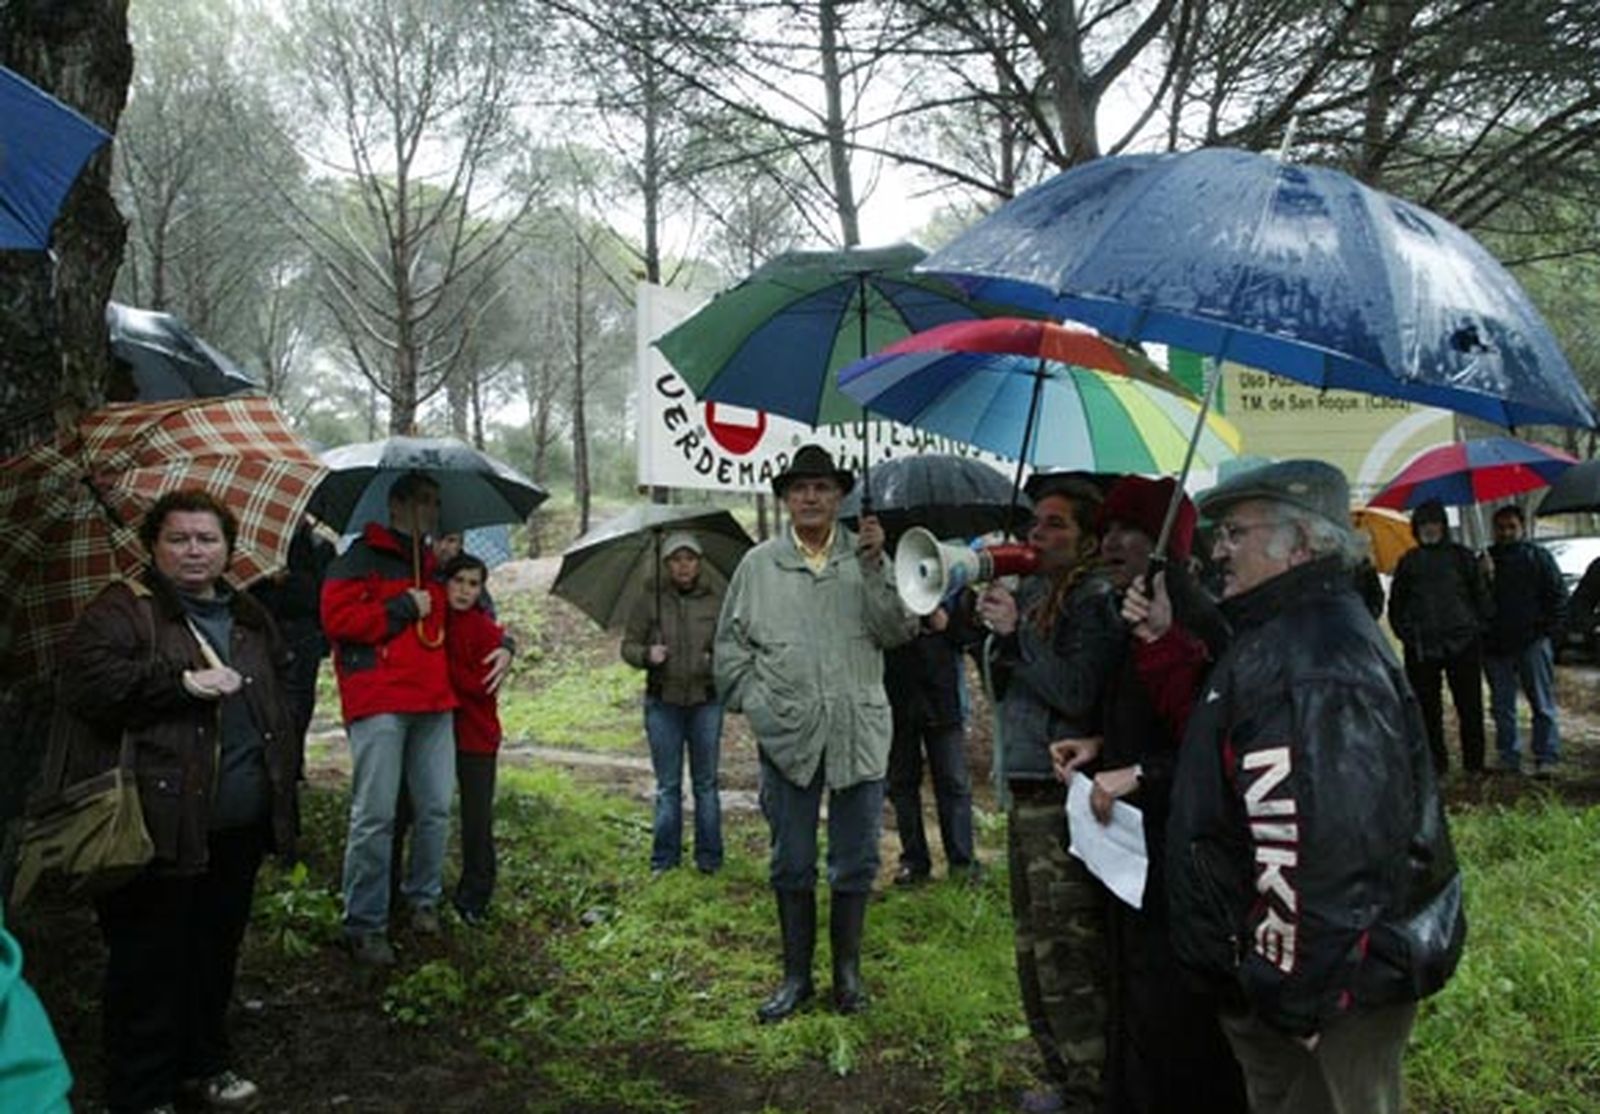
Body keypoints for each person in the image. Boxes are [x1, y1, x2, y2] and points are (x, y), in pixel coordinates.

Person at [1166, 460, 1466, 1114]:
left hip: (1326, 997)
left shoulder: (1317, 663)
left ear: (1299, 543)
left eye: (1236, 532)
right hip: (1296, 982)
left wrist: (1299, 999)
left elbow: (1327, 853)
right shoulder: (1279, 637)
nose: (1218, 547)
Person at [57, 489, 299, 1113]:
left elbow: (281, 677)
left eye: (207, 539)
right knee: (148, 963)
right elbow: (87, 685)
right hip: (156, 821)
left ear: (228, 547)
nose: (194, 551)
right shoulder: (124, 610)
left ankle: (205, 1063)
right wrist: (179, 683)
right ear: (153, 547)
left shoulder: (247, 613)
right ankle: (141, 1092)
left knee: (214, 951)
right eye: (179, 539)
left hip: (238, 823)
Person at [1050, 475, 1247, 1113]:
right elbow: (1143, 718)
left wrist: (1141, 774)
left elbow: (1214, 746)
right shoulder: (1130, 611)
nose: (1110, 543)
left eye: (1129, 530)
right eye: (1105, 530)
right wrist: (1101, 748)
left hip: (1179, 852)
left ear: (1168, 540)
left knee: (1171, 1003)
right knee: (1130, 981)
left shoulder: (1194, 620)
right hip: (1130, 846)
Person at [714, 444, 917, 1022]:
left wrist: (879, 568)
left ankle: (847, 976)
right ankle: (796, 977)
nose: (810, 497)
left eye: (823, 487)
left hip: (859, 732)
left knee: (855, 859)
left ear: (840, 496)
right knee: (792, 859)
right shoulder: (758, 565)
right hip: (788, 739)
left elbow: (898, 631)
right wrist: (759, 702)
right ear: (784, 497)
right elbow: (730, 651)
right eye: (800, 488)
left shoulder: (869, 557)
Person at [976, 475, 1120, 1113]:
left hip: (1062, 797)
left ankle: (1092, 1089)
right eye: (1036, 522)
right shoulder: (1034, 590)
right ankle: (1063, 1076)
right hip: (1024, 785)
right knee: (1033, 946)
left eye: (1057, 523)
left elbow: (1077, 693)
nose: (1039, 533)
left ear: (1087, 538)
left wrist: (1018, 638)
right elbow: (1002, 686)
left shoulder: (1092, 600)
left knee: (1068, 952)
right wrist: (991, 632)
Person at [322, 472, 505, 963]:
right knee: (376, 814)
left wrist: (505, 644)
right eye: (423, 501)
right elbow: (337, 622)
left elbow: (475, 613)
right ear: (396, 505)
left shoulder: (434, 564)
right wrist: (401, 606)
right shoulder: (359, 558)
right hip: (378, 700)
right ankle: (364, 922)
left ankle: (423, 900)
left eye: (436, 502)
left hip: (434, 705)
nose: (432, 510)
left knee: (434, 809)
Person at [621, 530, 726, 875]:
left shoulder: (716, 599)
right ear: (667, 564)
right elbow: (628, 646)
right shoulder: (650, 599)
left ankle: (709, 859)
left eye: (690, 559)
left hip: (705, 702)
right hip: (662, 702)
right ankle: (664, 860)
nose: (684, 566)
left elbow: (732, 643)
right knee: (668, 786)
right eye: (676, 560)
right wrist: (647, 654)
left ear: (699, 562)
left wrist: (716, 658)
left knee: (706, 784)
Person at [1386, 499, 1491, 774]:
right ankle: (1435, 764)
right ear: (1416, 528)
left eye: (1434, 523)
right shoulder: (1408, 562)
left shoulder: (1463, 557)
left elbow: (1481, 598)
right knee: (1426, 710)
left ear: (1444, 526)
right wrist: (1408, 634)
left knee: (1470, 707)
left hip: (1463, 643)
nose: (1429, 529)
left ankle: (1475, 764)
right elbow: (1396, 605)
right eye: (1423, 524)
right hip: (1422, 647)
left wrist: (1475, 628)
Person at [884, 602, 979, 886]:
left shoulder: (952, 584)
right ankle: (914, 861)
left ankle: (962, 863)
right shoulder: (882, 579)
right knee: (902, 783)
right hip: (896, 694)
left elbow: (971, 636)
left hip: (941, 695)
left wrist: (946, 624)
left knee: (953, 781)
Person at [441, 552, 507, 923]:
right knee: (428, 810)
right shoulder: (434, 619)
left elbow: (483, 684)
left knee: (476, 819)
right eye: (459, 581)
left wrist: (444, 673)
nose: (465, 590)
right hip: (436, 733)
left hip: (477, 736)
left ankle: (475, 896)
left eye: (473, 584)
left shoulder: (485, 629)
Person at [1483, 505, 1567, 775]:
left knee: (1542, 703)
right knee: (1502, 706)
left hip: (1532, 641)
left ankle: (1547, 755)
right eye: (1501, 528)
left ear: (1521, 528)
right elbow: (1475, 601)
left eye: (1511, 527)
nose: (1506, 533)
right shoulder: (1485, 560)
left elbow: (1558, 597)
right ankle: (1509, 755)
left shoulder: (1538, 558)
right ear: (1493, 530)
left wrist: (1548, 633)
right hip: (1496, 644)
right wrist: (1483, 577)